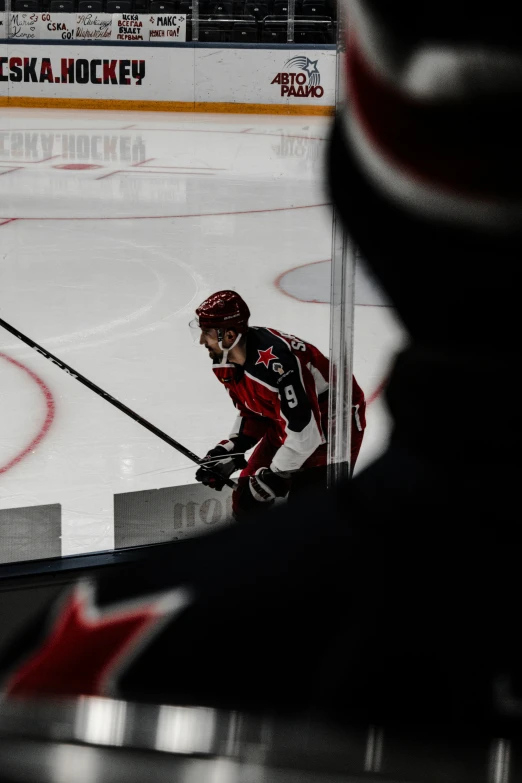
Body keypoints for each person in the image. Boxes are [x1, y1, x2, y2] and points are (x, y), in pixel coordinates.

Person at [190, 290, 366, 519]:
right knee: (245, 502)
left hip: (333, 422)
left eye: (207, 333)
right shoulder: (224, 362)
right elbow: (253, 410)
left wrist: (275, 477)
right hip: (291, 421)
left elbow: (306, 434)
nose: (202, 341)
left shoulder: (280, 366)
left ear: (229, 335)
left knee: (312, 515)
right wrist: (231, 449)